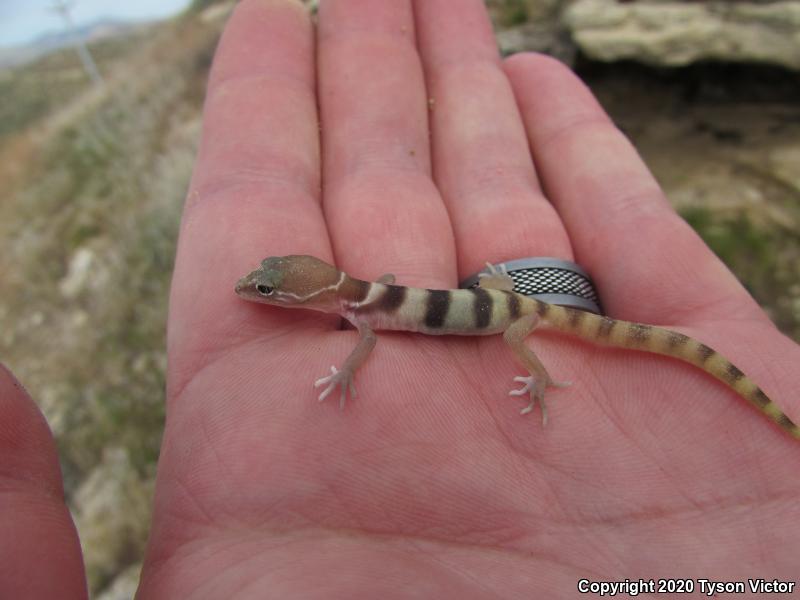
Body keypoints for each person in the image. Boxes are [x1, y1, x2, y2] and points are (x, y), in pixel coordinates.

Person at [2, 1, 799, 597]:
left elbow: (368, 342)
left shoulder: (363, 312)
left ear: (309, 297)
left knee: (532, 343)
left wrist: (363, 374)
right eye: (265, 285)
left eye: (269, 289)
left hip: (517, 320)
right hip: (500, 298)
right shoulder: (359, 294)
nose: (257, 294)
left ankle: (740, 408)